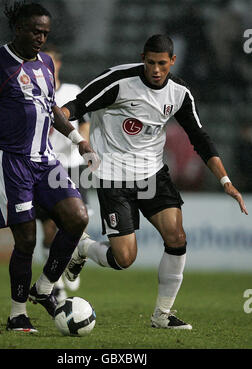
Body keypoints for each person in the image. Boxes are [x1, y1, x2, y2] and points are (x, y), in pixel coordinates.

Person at [61, 34, 248, 330]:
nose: (156, 69)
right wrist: (71, 132)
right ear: (143, 58)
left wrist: (225, 180)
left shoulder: (179, 93)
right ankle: (82, 248)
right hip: (113, 175)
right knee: (124, 258)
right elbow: (76, 106)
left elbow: (199, 138)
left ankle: (162, 315)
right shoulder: (118, 81)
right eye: (150, 63)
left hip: (152, 174)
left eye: (162, 63)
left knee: (177, 237)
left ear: (172, 61)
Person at [0, 1, 98, 333]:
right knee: (27, 240)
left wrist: (79, 139)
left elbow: (53, 109)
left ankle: (45, 288)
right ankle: (18, 313)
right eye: (35, 31)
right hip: (10, 162)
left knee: (78, 216)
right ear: (18, 28)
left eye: (45, 32)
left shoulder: (47, 63)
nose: (40, 37)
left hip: (46, 160)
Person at [35, 45, 91, 302]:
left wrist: (85, 145)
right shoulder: (34, 92)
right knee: (49, 229)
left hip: (72, 166)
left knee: (79, 222)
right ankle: (54, 282)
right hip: (47, 165)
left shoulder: (72, 91)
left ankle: (71, 261)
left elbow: (86, 118)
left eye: (52, 63)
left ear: (58, 66)